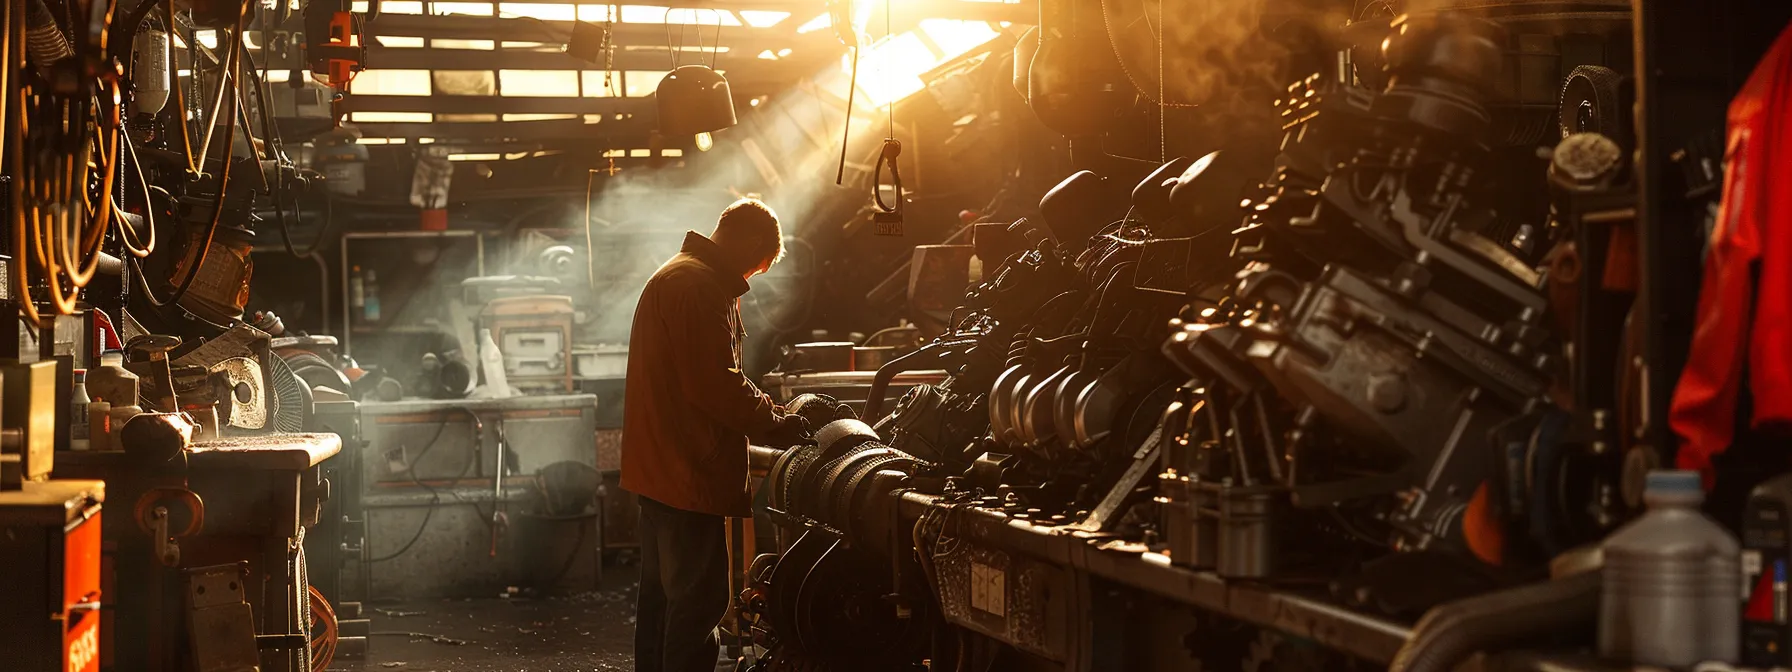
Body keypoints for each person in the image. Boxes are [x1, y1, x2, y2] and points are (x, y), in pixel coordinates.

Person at [620, 198, 808, 672]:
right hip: (687, 472)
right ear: (750, 241)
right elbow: (715, 383)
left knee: (662, 603)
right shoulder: (700, 286)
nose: (753, 276)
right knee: (698, 602)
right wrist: (775, 420)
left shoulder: (677, 274)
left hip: (660, 468)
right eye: (757, 265)